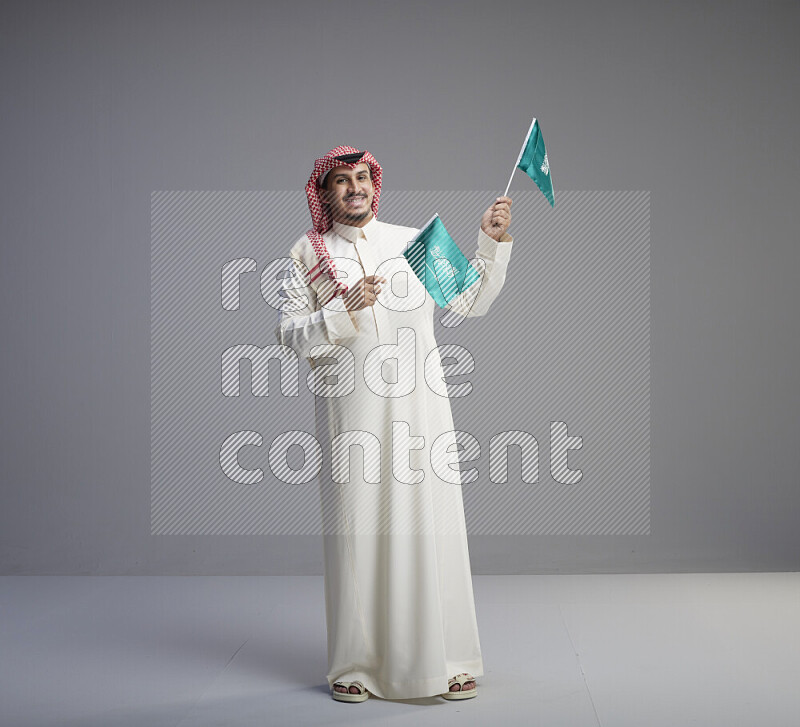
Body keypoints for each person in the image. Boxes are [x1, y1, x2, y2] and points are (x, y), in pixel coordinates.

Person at [274, 145, 513, 702]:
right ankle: (355, 668)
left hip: (422, 414)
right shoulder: (306, 255)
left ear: (373, 184)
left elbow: (470, 299)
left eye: (361, 177)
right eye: (341, 180)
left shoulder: (414, 240)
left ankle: (451, 657)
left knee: (436, 527)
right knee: (359, 537)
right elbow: (288, 335)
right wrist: (343, 308)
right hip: (351, 420)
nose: (354, 187)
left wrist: (490, 243)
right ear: (324, 192)